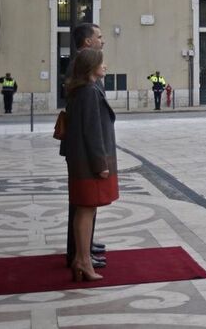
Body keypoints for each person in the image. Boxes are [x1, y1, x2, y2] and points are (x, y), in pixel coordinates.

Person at [64, 48, 118, 282]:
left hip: (81, 161)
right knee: (86, 211)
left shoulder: (83, 90)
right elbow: (92, 131)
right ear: (90, 68)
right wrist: (101, 164)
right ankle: (83, 261)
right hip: (88, 163)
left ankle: (80, 258)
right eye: (101, 63)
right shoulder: (88, 92)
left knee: (85, 209)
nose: (105, 66)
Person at [63, 22, 107, 270]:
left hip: (83, 147)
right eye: (99, 37)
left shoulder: (86, 69)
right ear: (88, 42)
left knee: (85, 205)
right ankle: (78, 253)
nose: (102, 40)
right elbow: (88, 119)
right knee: (83, 204)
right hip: (84, 150)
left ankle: (85, 248)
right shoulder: (82, 69)